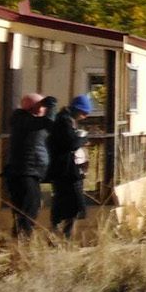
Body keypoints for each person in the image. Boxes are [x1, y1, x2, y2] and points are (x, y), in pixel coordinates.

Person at [3, 92, 54, 239]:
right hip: (23, 173)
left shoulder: (29, 121)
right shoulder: (22, 119)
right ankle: (23, 243)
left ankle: (20, 243)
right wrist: (51, 109)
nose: (43, 109)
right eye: (41, 106)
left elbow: (50, 126)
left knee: (28, 209)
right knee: (28, 211)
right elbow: (46, 123)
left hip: (30, 172)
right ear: (35, 107)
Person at [47, 94, 92, 238]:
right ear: (77, 110)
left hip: (65, 170)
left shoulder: (65, 120)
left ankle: (61, 234)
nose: (84, 117)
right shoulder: (64, 122)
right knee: (72, 205)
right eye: (84, 113)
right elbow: (70, 144)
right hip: (65, 171)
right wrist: (83, 138)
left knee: (66, 204)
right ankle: (63, 235)